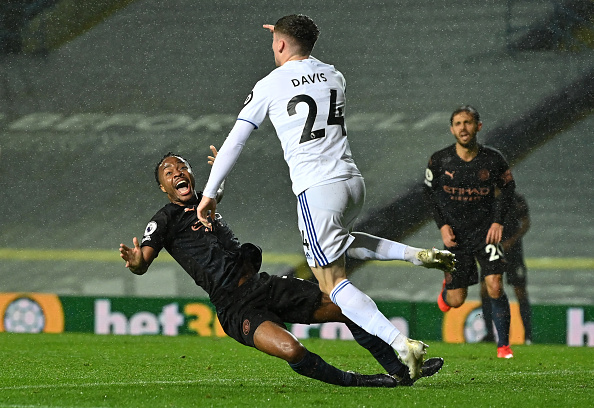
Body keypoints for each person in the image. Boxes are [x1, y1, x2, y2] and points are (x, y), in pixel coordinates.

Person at [195, 14, 455, 380]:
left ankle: (401, 343)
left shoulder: (269, 84)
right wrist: (287, 32)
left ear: (280, 43)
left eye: (275, 42)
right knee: (342, 243)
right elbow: (304, 71)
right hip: (351, 182)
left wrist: (209, 193)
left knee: (332, 285)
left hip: (317, 188)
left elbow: (236, 140)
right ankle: (412, 254)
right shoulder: (334, 75)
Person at [120, 150, 445, 387]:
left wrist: (221, 175)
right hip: (235, 307)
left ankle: (401, 373)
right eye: (169, 172)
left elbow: (214, 194)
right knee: (292, 350)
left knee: (346, 307)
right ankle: (360, 382)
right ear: (163, 187)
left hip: (264, 286)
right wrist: (136, 262)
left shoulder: (206, 202)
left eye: (182, 167)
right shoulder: (165, 219)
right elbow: (143, 261)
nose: (177, 172)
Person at [424, 105, 517, 359]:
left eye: (467, 122)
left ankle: (504, 347)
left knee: (495, 285)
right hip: (456, 236)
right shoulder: (440, 160)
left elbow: (509, 189)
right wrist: (442, 226)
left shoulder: (493, 160)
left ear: (478, 126)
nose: (463, 128)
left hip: (486, 233)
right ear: (451, 129)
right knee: (456, 301)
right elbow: (429, 193)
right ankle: (447, 287)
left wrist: (498, 222)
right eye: (458, 123)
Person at [480, 191, 533, 344]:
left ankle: (528, 336)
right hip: (492, 250)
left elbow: (525, 223)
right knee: (485, 289)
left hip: (513, 252)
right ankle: (489, 334)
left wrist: (512, 240)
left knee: (520, 291)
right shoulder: (484, 197)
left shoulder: (515, 199)